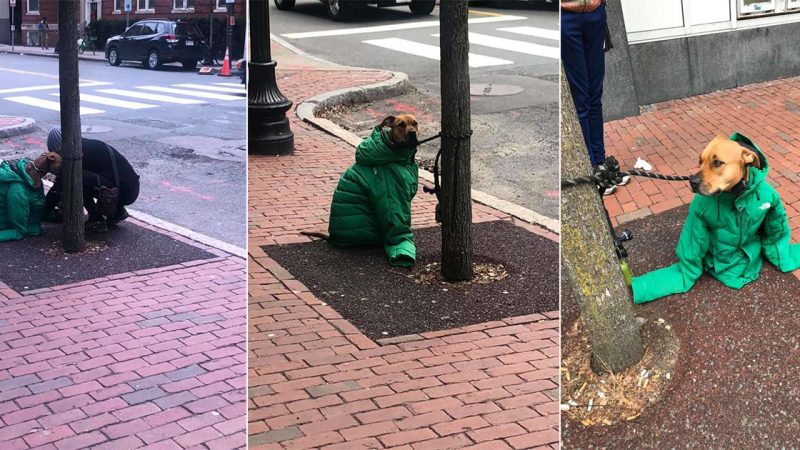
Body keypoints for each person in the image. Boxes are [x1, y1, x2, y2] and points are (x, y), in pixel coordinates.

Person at [561, 0, 628, 195]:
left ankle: (600, 161)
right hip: (566, 16)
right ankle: (590, 167)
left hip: (595, 13)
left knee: (595, 95)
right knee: (581, 98)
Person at [44, 128, 140, 233]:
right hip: (130, 187)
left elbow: (59, 185)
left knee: (73, 178)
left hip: (124, 193)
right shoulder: (85, 145)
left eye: (58, 153)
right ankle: (117, 212)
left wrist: (43, 212)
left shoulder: (76, 154)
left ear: (62, 148)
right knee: (82, 177)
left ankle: (96, 219)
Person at [0, 152, 62, 242]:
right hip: (7, 221)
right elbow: (18, 215)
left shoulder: (28, 177)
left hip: (15, 216)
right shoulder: (18, 187)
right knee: (23, 230)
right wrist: (20, 230)